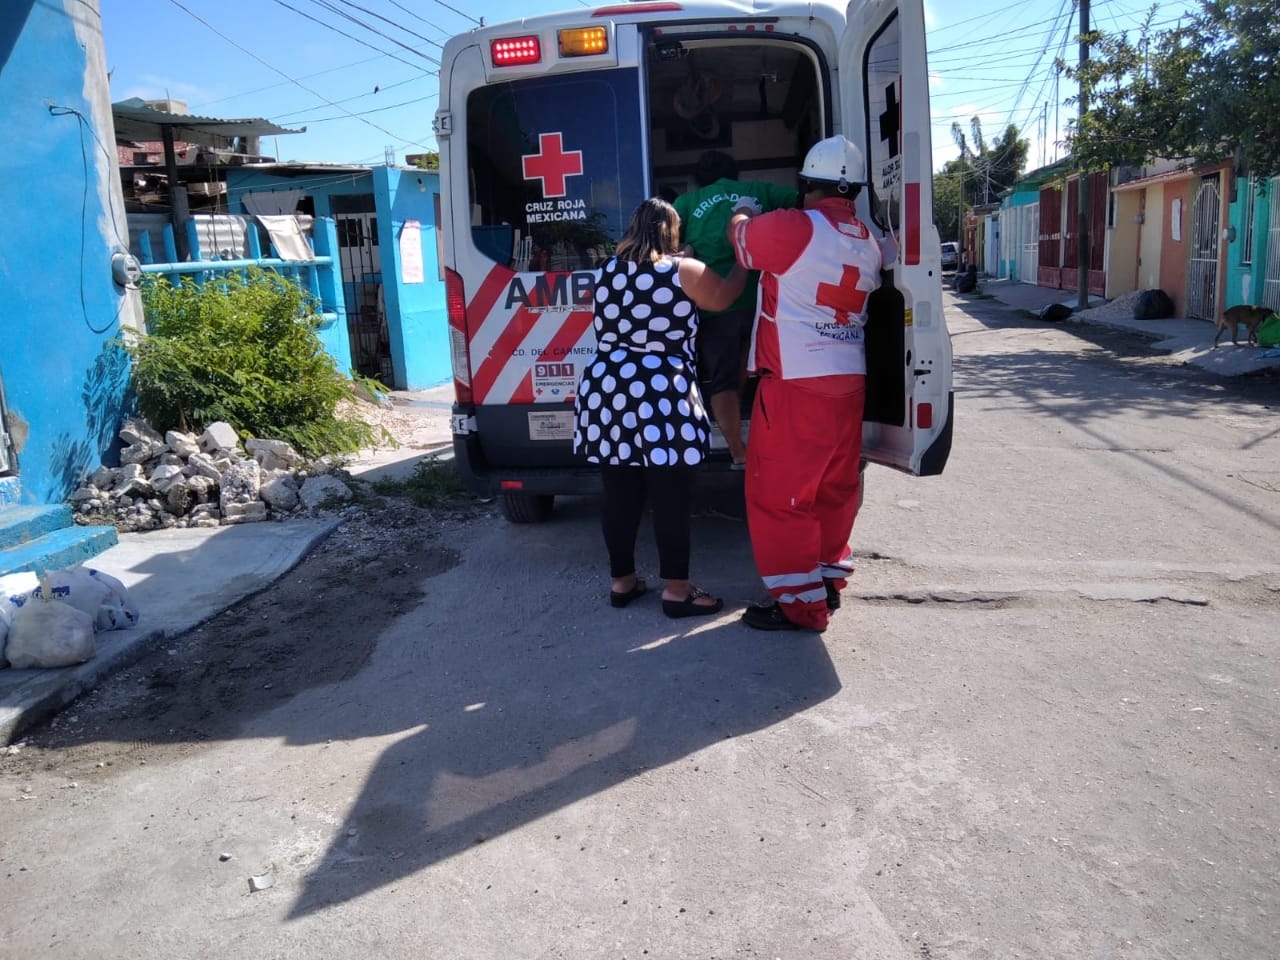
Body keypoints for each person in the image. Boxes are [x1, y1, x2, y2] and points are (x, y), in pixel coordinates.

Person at [725, 135, 883, 632]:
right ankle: (827, 582)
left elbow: (744, 242)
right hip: (849, 380)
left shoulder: (797, 227)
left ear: (806, 187)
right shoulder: (867, 239)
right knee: (834, 489)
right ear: (854, 190)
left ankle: (802, 608)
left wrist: (743, 210)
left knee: (780, 497)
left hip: (796, 383)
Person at [574, 197, 747, 619]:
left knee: (619, 491)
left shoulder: (605, 272)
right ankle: (677, 591)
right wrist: (745, 260)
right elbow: (724, 297)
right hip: (660, 389)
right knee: (670, 491)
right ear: (672, 232)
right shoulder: (683, 271)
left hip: (607, 387)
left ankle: (623, 582)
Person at [674, 151, 799, 466]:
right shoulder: (760, 191)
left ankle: (737, 450)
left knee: (723, 379)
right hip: (762, 304)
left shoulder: (687, 203)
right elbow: (808, 204)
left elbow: (667, 244)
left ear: (698, 177)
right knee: (766, 372)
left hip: (714, 307)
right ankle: (781, 440)